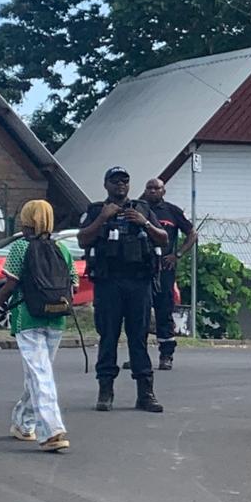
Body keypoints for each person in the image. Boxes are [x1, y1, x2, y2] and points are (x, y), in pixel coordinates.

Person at [0, 200, 75, 453]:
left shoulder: (20, 247)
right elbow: (73, 284)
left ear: (27, 221)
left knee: (39, 374)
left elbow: (10, 284)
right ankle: (29, 425)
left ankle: (49, 431)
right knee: (40, 373)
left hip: (27, 318)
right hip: (57, 318)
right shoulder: (62, 249)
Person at [78, 166, 169, 413]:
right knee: (108, 337)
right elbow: (83, 239)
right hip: (108, 283)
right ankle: (105, 390)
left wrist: (144, 223)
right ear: (106, 184)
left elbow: (163, 238)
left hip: (138, 282)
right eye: (115, 181)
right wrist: (102, 218)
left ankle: (145, 393)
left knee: (139, 338)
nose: (120, 185)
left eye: (125, 181)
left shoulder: (142, 209)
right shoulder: (96, 210)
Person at [129, 177, 197, 371]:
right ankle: (138, 356)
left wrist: (178, 254)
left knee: (164, 311)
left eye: (156, 188)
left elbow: (192, 233)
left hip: (163, 270)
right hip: (140, 269)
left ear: (163, 191)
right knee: (138, 313)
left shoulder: (172, 211)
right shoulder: (136, 209)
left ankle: (166, 355)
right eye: (149, 188)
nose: (152, 191)